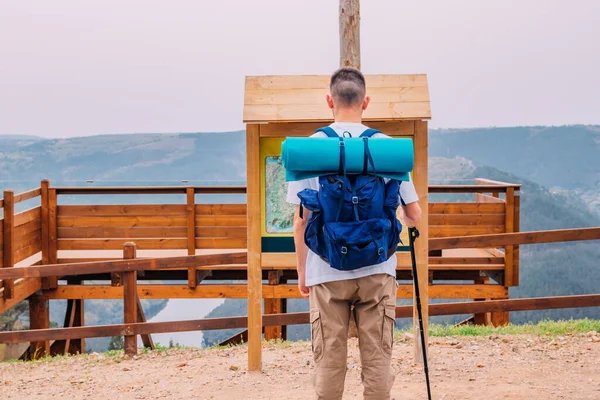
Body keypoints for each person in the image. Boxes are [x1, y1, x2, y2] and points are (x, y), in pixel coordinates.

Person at [286, 67, 422, 400]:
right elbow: (414, 215)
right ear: (366, 102)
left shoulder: (312, 150)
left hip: (326, 270)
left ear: (330, 101)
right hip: (378, 269)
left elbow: (301, 220)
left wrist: (303, 273)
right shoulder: (387, 149)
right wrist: (402, 218)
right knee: (377, 359)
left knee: (330, 361)